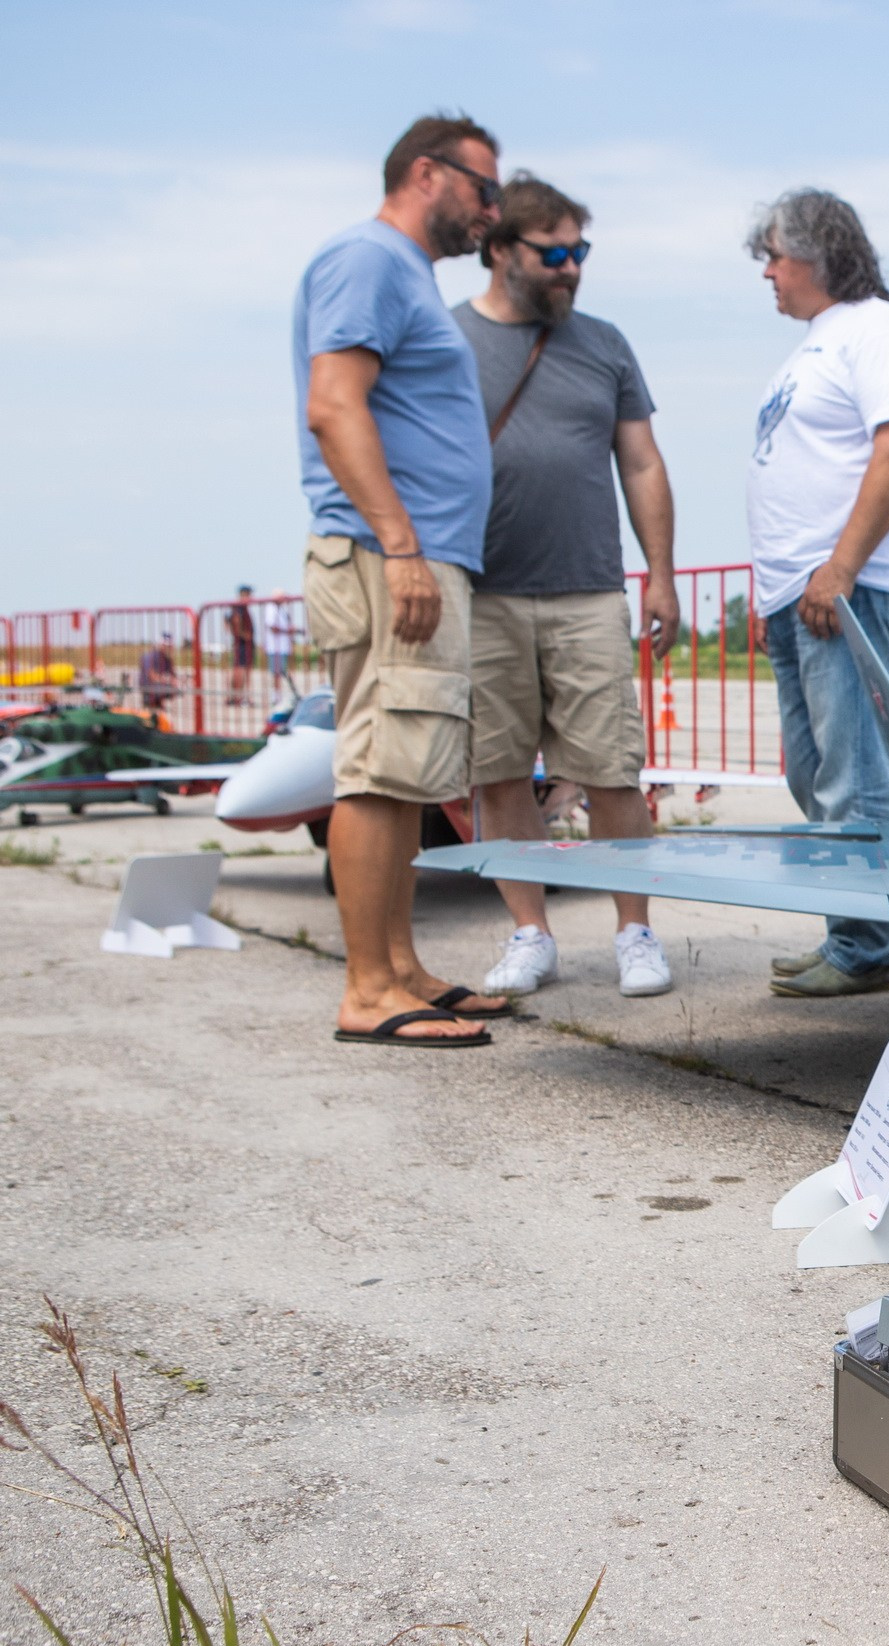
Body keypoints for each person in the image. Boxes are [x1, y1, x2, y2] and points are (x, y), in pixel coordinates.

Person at [293, 112, 508, 1048]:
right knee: (380, 770)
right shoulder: (370, 259)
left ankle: (400, 966)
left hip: (415, 553)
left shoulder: (404, 272)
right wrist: (401, 542)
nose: (492, 211)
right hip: (390, 556)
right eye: (484, 189)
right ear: (428, 173)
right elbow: (333, 404)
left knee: (407, 769)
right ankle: (368, 988)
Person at [453, 174, 682, 998]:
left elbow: (642, 461)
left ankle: (635, 931)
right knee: (499, 771)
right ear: (499, 250)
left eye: (579, 251)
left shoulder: (605, 344)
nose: (572, 268)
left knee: (612, 769)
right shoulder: (446, 340)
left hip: (587, 589)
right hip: (482, 594)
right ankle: (530, 934)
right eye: (553, 254)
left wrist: (660, 574)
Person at [745, 188, 889, 996]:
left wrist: (841, 567)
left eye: (774, 255)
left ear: (817, 254)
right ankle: (850, 932)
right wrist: (776, 591)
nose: (768, 272)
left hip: (847, 589)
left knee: (853, 778)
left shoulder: (877, 330)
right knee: (816, 775)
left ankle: (866, 947)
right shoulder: (818, 343)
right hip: (805, 593)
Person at [227, 585, 258, 704]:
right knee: (240, 670)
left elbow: (229, 621)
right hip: (242, 645)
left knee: (241, 670)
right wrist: (244, 635)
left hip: (243, 644)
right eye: (249, 594)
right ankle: (236, 697)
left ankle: (235, 697)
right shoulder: (239, 608)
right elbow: (234, 622)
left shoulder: (240, 608)